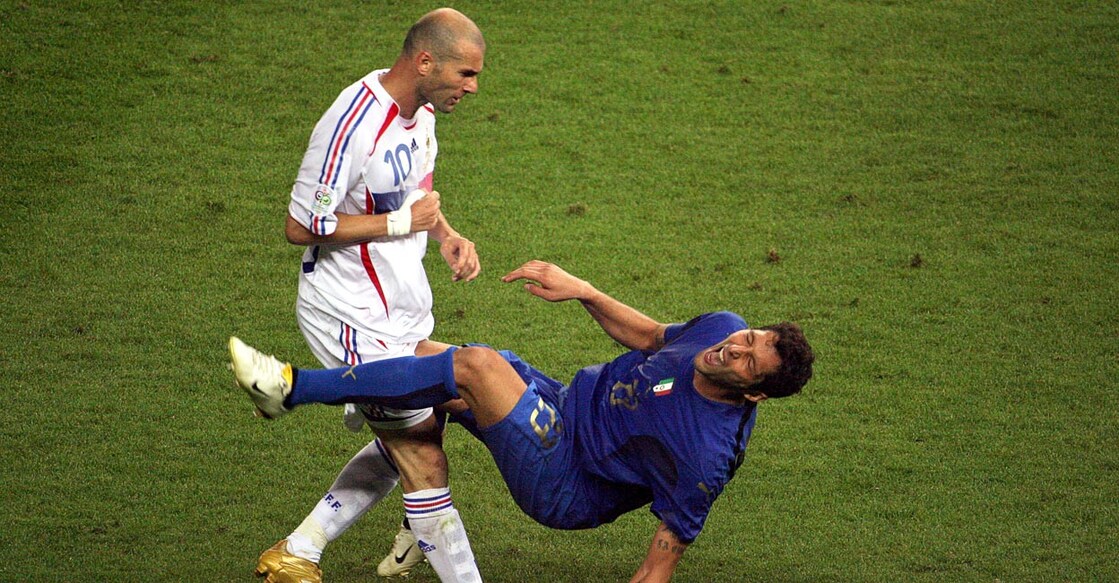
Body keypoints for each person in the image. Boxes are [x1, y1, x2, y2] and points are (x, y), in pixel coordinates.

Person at [230, 260, 815, 583]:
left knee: (476, 367)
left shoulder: (706, 455)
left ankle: (291, 388)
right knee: (425, 363)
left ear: (755, 395)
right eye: (749, 337)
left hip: (566, 482)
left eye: (746, 361)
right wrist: (585, 290)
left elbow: (659, 565)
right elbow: (653, 336)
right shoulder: (722, 328)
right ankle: (335, 538)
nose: (733, 349)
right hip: (560, 404)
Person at [259, 8, 487, 583]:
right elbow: (299, 225)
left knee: (432, 411)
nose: (473, 87)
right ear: (425, 61)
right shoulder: (353, 122)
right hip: (348, 311)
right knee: (422, 453)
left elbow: (417, 193)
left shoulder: (423, 114)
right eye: (465, 73)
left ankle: (300, 549)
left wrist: (446, 234)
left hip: (401, 305)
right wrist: (398, 225)